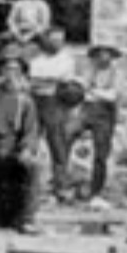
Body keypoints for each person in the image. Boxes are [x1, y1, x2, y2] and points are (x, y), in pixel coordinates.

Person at [0, 48, 45, 229]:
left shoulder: (25, 102)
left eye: (16, 70)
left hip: (13, 149)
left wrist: (26, 150)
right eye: (6, 69)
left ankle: (28, 219)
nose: (11, 74)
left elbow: (31, 132)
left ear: (21, 74)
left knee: (34, 164)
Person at [26, 28, 77, 199]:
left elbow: (63, 79)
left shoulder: (66, 59)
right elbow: (30, 79)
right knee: (30, 141)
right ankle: (29, 186)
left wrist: (44, 80)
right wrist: (45, 80)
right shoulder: (36, 59)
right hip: (34, 100)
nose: (57, 43)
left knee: (57, 144)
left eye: (61, 40)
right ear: (46, 41)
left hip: (54, 102)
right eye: (54, 40)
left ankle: (60, 186)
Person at [80, 43, 124, 204]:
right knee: (65, 135)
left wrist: (94, 92)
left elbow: (112, 96)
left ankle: (96, 191)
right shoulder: (90, 71)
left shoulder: (117, 74)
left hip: (106, 115)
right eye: (99, 54)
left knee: (101, 154)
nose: (103, 57)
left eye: (106, 54)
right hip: (87, 112)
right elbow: (82, 91)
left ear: (111, 57)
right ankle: (64, 186)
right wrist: (95, 93)